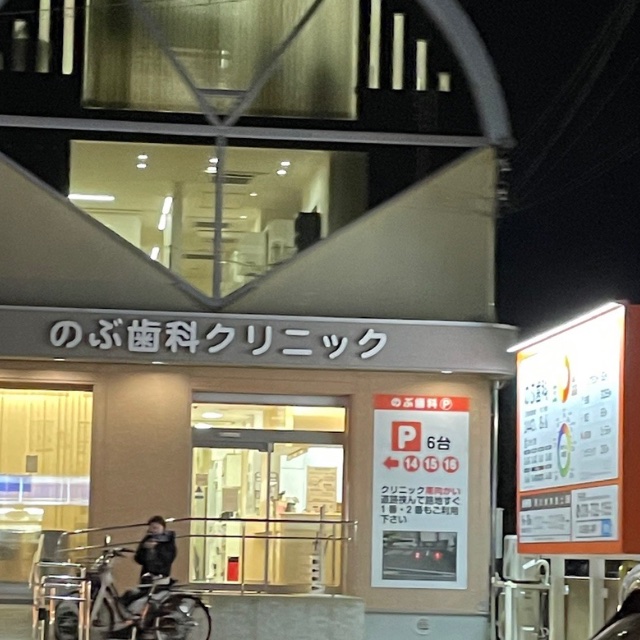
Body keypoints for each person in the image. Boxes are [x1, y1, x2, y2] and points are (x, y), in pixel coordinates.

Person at [134, 515, 177, 579]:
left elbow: (168, 558)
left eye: (156, 528)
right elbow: (138, 558)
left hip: (162, 575)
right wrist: (144, 549)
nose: (153, 531)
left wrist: (155, 548)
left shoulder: (168, 541)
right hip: (147, 575)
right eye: (151, 528)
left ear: (163, 528)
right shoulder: (148, 539)